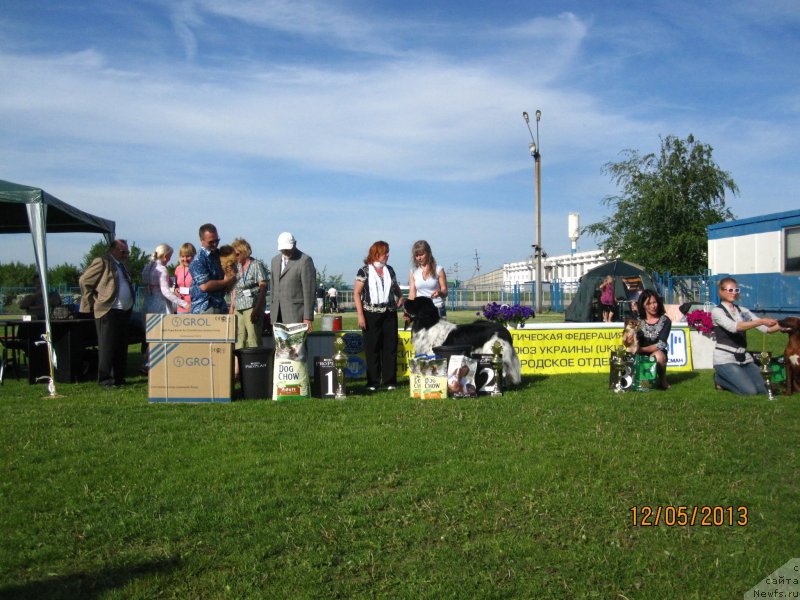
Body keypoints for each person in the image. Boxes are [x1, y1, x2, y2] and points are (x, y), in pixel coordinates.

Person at [712, 277, 783, 396]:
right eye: (730, 290)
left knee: (764, 390)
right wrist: (761, 321)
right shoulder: (717, 311)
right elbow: (734, 327)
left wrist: (785, 324)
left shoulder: (743, 311)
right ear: (721, 291)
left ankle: (736, 378)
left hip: (744, 357)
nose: (734, 293)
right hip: (725, 359)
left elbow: (767, 329)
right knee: (749, 392)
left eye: (736, 290)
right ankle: (719, 379)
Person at [79, 239, 134, 389]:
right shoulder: (102, 261)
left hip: (124, 311)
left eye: (127, 252)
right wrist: (93, 300)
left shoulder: (123, 265)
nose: (126, 255)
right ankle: (105, 379)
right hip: (108, 311)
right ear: (113, 250)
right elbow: (84, 281)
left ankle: (119, 378)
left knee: (121, 346)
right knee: (107, 347)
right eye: (123, 252)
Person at [354, 241, 404, 391]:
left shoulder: (390, 270)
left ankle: (389, 381)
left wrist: (400, 296)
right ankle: (373, 382)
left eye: (388, 252)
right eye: (384, 252)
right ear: (376, 254)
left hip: (389, 313)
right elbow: (357, 293)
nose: (387, 255)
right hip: (370, 314)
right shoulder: (364, 271)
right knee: (372, 348)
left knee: (390, 347)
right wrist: (360, 316)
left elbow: (395, 286)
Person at [270, 232, 316, 331]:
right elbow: (273, 287)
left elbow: (309, 292)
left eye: (288, 248)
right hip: (276, 316)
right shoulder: (274, 261)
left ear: (295, 244)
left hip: (296, 315)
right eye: (283, 249)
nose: (285, 251)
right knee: (278, 341)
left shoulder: (305, 260)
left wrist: (308, 317)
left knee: (296, 341)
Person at [229, 238, 268, 350]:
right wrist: (232, 306)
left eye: (237, 254)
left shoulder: (256, 265)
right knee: (239, 338)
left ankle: (255, 360)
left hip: (252, 305)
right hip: (238, 306)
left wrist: (258, 308)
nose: (235, 257)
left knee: (252, 338)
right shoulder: (236, 267)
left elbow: (263, 287)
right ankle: (239, 360)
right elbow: (234, 287)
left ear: (244, 252)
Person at [189, 224, 235, 314]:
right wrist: (226, 281)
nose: (215, 244)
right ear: (202, 240)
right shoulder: (198, 260)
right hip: (205, 307)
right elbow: (205, 286)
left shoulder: (219, 254)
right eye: (211, 242)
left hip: (221, 305)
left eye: (217, 240)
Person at [636, 289, 672, 390]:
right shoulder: (636, 320)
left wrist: (641, 349)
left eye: (654, 302)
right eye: (648, 303)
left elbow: (661, 344)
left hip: (654, 353)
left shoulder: (665, 320)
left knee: (659, 356)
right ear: (643, 305)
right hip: (638, 354)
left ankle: (662, 380)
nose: (653, 306)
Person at [141, 244, 188, 314]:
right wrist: (184, 304)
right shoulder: (162, 269)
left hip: (147, 303)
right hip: (160, 306)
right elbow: (166, 292)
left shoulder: (146, 268)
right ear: (165, 256)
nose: (169, 260)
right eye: (170, 257)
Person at [408, 240, 448, 319]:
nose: (419, 258)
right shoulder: (413, 272)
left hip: (438, 307)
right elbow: (412, 294)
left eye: (421, 255)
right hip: (420, 310)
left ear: (428, 253)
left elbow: (445, 292)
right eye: (416, 255)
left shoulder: (439, 270)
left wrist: (440, 293)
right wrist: (408, 310)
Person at [173, 243, 196, 314]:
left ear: (193, 255)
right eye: (183, 256)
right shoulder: (178, 269)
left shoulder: (197, 269)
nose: (185, 259)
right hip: (181, 308)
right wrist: (175, 290)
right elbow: (175, 286)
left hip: (195, 307)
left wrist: (187, 290)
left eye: (188, 256)